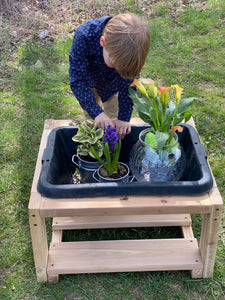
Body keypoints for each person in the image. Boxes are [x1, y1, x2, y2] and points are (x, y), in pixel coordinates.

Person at [69, 13, 150, 139]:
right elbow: (78, 81)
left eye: (123, 68)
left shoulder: (130, 51)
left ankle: (111, 148)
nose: (119, 69)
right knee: (93, 120)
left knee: (115, 116)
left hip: (113, 85)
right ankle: (95, 144)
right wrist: (96, 113)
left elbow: (128, 83)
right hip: (87, 84)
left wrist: (123, 118)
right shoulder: (84, 36)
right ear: (102, 41)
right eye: (114, 63)